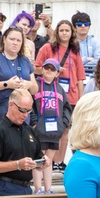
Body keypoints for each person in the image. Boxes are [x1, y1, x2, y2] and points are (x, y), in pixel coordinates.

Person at [35, 19, 84, 168]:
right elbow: (36, 68)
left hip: (71, 95)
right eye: (61, 30)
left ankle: (59, 161)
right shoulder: (47, 48)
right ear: (57, 32)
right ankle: (47, 160)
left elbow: (81, 77)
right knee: (49, 128)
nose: (64, 33)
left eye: (67, 30)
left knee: (65, 130)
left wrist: (81, 99)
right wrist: (54, 70)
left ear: (71, 33)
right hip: (50, 94)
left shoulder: (75, 51)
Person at [31, 58, 70, 194]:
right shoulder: (35, 85)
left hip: (54, 130)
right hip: (39, 129)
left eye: (52, 69)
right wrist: (34, 123)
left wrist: (63, 123)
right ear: (42, 69)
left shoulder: (59, 89)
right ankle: (38, 188)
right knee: (38, 159)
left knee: (49, 160)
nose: (48, 71)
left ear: (57, 73)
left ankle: (48, 188)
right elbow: (30, 105)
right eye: (46, 68)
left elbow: (66, 108)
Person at [0, 26, 36, 122]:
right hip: (1, 112)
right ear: (4, 39)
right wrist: (7, 84)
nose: (15, 43)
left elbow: (35, 89)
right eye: (12, 39)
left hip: (23, 115)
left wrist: (28, 84)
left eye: (18, 40)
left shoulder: (25, 60)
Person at [72, 11, 100, 76]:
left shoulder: (95, 42)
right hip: (75, 77)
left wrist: (80, 62)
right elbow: (72, 63)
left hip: (93, 78)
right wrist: (87, 59)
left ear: (89, 26)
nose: (83, 26)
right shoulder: (71, 43)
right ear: (74, 27)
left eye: (86, 24)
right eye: (79, 24)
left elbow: (99, 62)